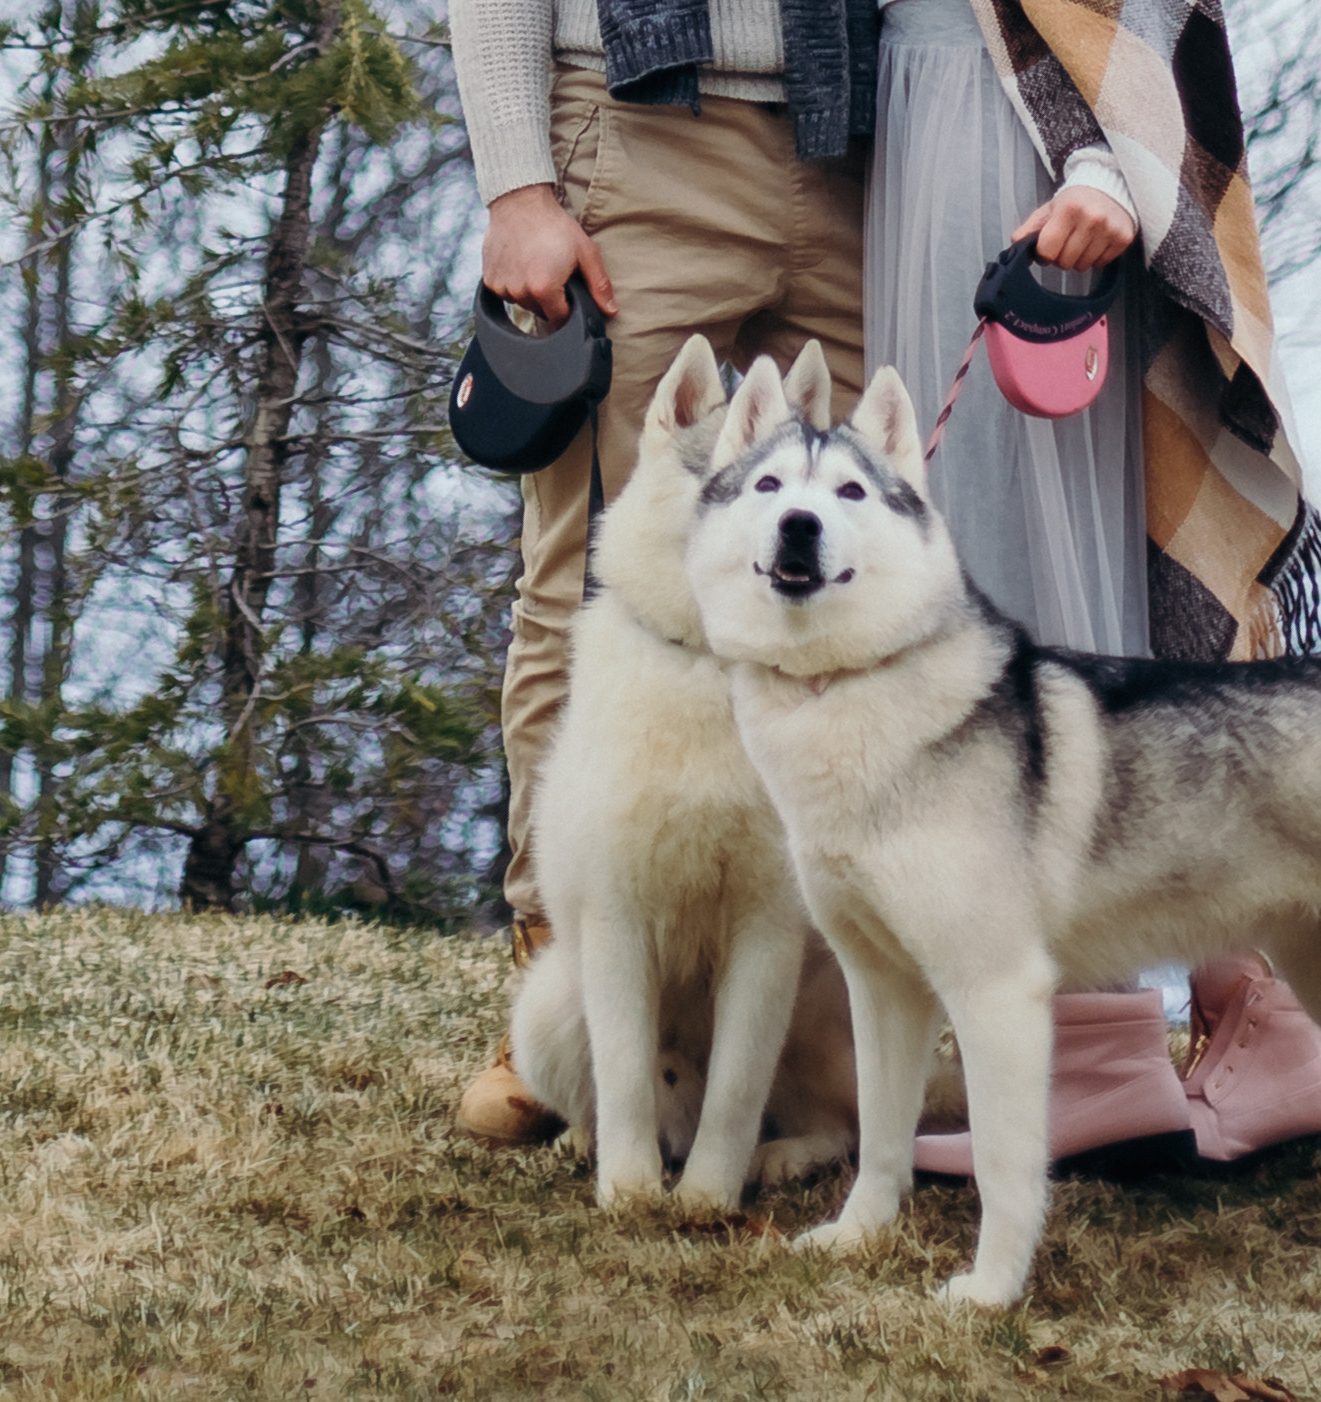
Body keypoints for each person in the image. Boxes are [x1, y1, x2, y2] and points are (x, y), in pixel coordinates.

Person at [870, 0, 1321, 1174]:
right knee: (1078, 575)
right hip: (944, 108)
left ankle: (1098, 1048)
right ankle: (1246, 1018)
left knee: (1023, 584)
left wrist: (1100, 154)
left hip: (1018, 130)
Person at [446, 0, 877, 1143]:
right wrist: (517, 190)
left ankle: (812, 1037)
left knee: (853, 589)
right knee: (590, 582)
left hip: (857, 144)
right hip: (637, 137)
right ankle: (564, 990)